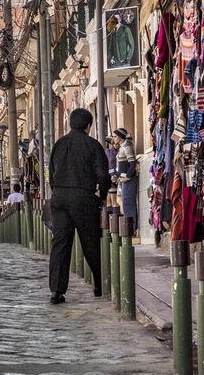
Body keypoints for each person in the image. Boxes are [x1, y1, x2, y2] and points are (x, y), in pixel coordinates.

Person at [48, 108, 111, 304]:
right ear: (88, 126)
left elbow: (51, 173)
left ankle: (56, 292)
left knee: (60, 244)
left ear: (69, 124)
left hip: (59, 198)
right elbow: (103, 176)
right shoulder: (93, 145)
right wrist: (101, 196)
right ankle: (100, 285)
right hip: (83, 197)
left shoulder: (59, 144)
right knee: (90, 243)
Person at [114, 128, 138, 233]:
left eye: (115, 136)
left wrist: (127, 177)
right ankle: (129, 228)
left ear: (120, 137)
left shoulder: (127, 147)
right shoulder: (121, 148)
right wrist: (116, 175)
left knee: (128, 202)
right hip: (123, 180)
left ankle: (131, 229)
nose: (114, 138)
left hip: (129, 180)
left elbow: (132, 164)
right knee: (124, 203)